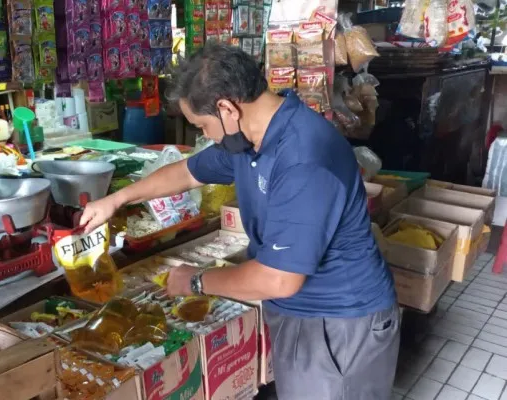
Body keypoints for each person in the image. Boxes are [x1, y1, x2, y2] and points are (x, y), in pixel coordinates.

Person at [79, 44, 399, 400]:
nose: (208, 136)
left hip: (340, 321)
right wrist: (116, 199)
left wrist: (195, 282)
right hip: (302, 312)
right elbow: (188, 172)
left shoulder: (302, 159)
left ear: (227, 108)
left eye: (202, 125)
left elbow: (279, 278)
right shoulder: (251, 138)